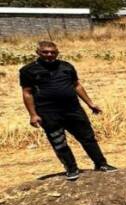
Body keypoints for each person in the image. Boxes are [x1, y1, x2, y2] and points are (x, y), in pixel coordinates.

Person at [19, 41, 117, 181]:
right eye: (45, 52)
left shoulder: (66, 66)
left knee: (88, 138)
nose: (49, 55)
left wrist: (90, 104)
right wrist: (33, 115)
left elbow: (77, 86)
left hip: (73, 110)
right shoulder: (28, 70)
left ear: (57, 53)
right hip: (48, 113)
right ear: (38, 52)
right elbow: (27, 93)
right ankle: (71, 169)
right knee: (59, 142)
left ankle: (101, 164)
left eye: (52, 52)